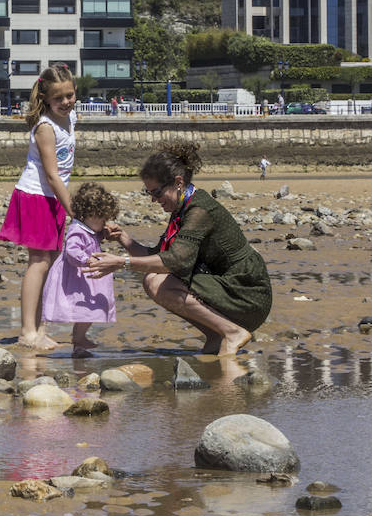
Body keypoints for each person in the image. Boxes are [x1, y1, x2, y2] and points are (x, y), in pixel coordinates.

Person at [86, 141, 272, 356]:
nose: (154, 200)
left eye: (156, 192)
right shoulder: (183, 206)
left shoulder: (198, 210)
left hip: (248, 291)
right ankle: (216, 334)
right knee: (153, 279)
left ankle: (231, 332)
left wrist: (121, 262)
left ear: (178, 182)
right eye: (149, 194)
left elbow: (175, 261)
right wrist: (123, 239)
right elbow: (159, 256)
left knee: (158, 283)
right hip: (227, 285)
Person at [0, 64, 77, 350]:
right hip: (37, 196)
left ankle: (42, 327)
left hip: (53, 198)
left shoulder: (71, 117)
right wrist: (73, 210)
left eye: (70, 95)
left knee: (53, 262)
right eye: (59, 99)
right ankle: (27, 331)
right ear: (46, 99)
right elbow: (52, 174)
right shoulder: (45, 127)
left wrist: (64, 204)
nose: (66, 102)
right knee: (39, 262)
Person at [42, 183, 119, 356]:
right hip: (77, 276)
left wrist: (103, 234)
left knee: (91, 308)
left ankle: (79, 341)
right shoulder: (77, 229)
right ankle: (79, 338)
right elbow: (72, 250)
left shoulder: (88, 228)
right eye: (102, 219)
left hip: (86, 276)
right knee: (87, 308)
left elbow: (92, 239)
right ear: (90, 215)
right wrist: (87, 259)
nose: (104, 222)